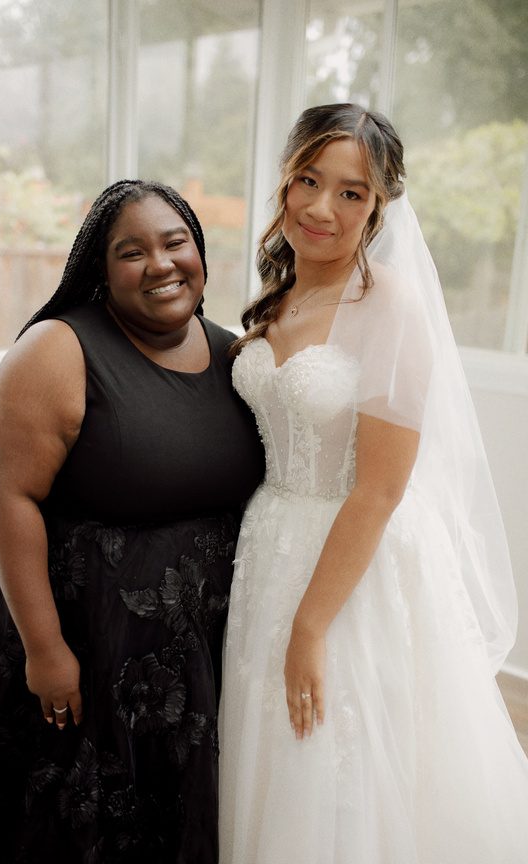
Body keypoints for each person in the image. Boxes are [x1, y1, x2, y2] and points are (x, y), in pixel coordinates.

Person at [219, 103, 528, 863]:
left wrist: (311, 625)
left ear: (380, 205)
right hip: (268, 545)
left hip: (353, 561)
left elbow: (381, 491)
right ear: (285, 182)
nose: (321, 207)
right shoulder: (277, 292)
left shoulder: (388, 303)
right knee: (263, 749)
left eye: (352, 193)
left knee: (338, 753)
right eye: (308, 180)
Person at [0, 179, 264, 863]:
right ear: (100, 268)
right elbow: (12, 499)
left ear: (200, 251)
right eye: (132, 251)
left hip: (195, 667)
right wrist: (44, 649)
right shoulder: (57, 350)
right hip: (82, 654)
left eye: (175, 241)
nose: (161, 263)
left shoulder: (234, 353)